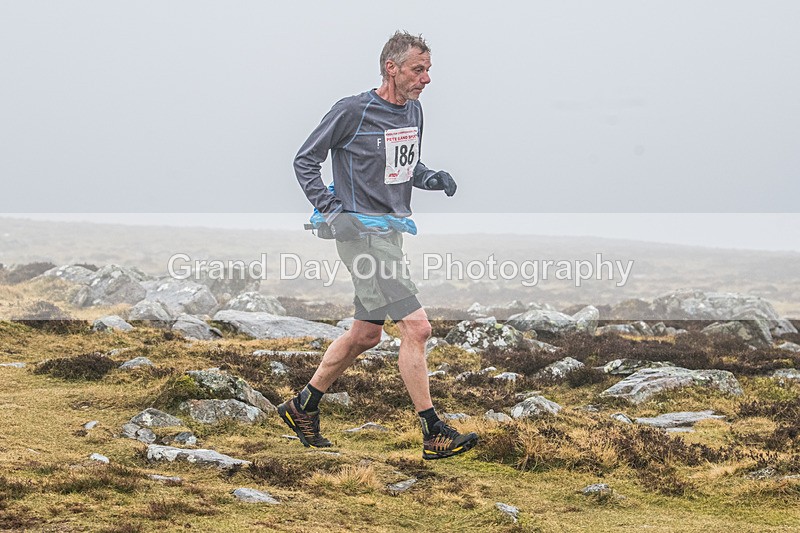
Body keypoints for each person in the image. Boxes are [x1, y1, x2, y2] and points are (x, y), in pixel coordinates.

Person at [277, 30, 478, 460]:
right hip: (362, 236)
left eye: (428, 70)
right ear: (392, 68)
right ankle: (433, 432)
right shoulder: (352, 111)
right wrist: (333, 212)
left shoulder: (415, 111)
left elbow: (404, 162)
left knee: (366, 334)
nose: (426, 79)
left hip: (389, 232)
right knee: (417, 327)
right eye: (417, 70)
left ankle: (303, 405)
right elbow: (305, 159)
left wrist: (429, 177)